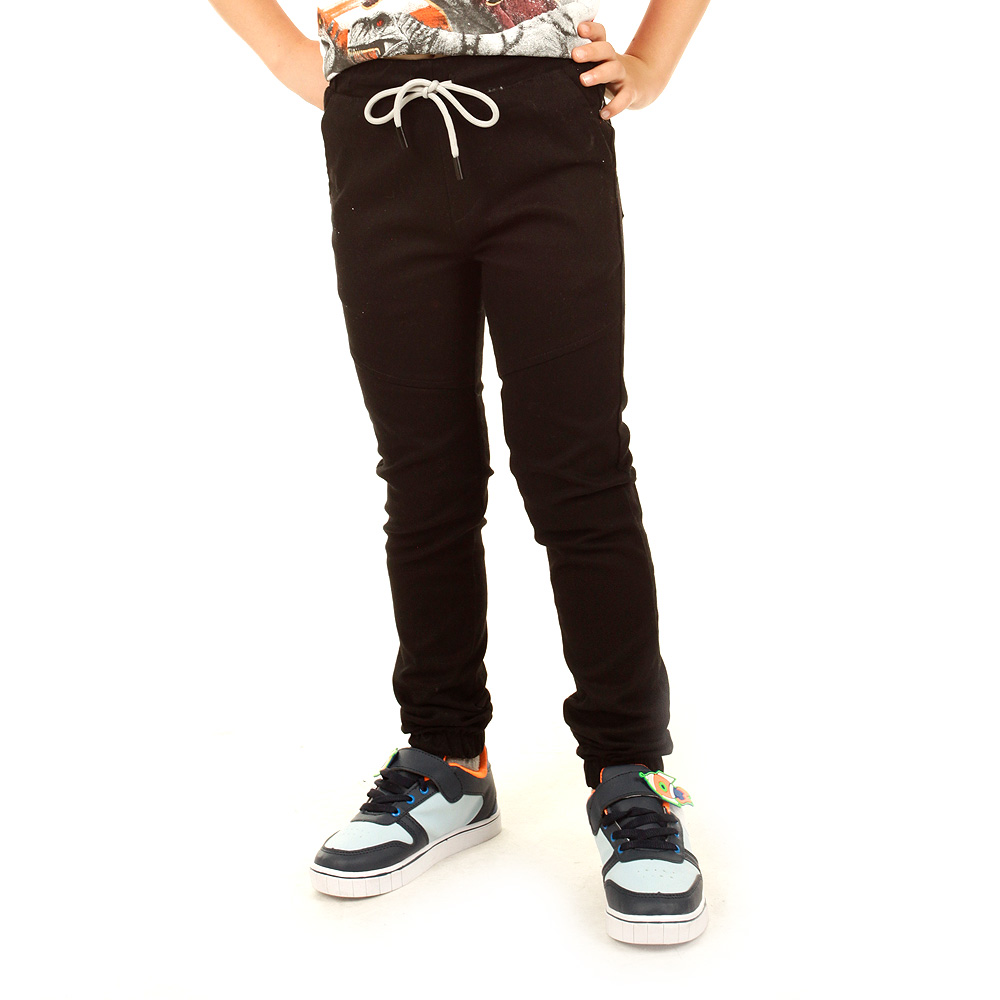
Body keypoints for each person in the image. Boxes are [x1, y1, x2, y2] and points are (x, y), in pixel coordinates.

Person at [207, 0, 712, 945]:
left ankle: (632, 771)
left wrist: (651, 63)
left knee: (580, 469)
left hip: (547, 126)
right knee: (424, 471)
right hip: (377, 133)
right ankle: (448, 758)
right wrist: (289, 56)